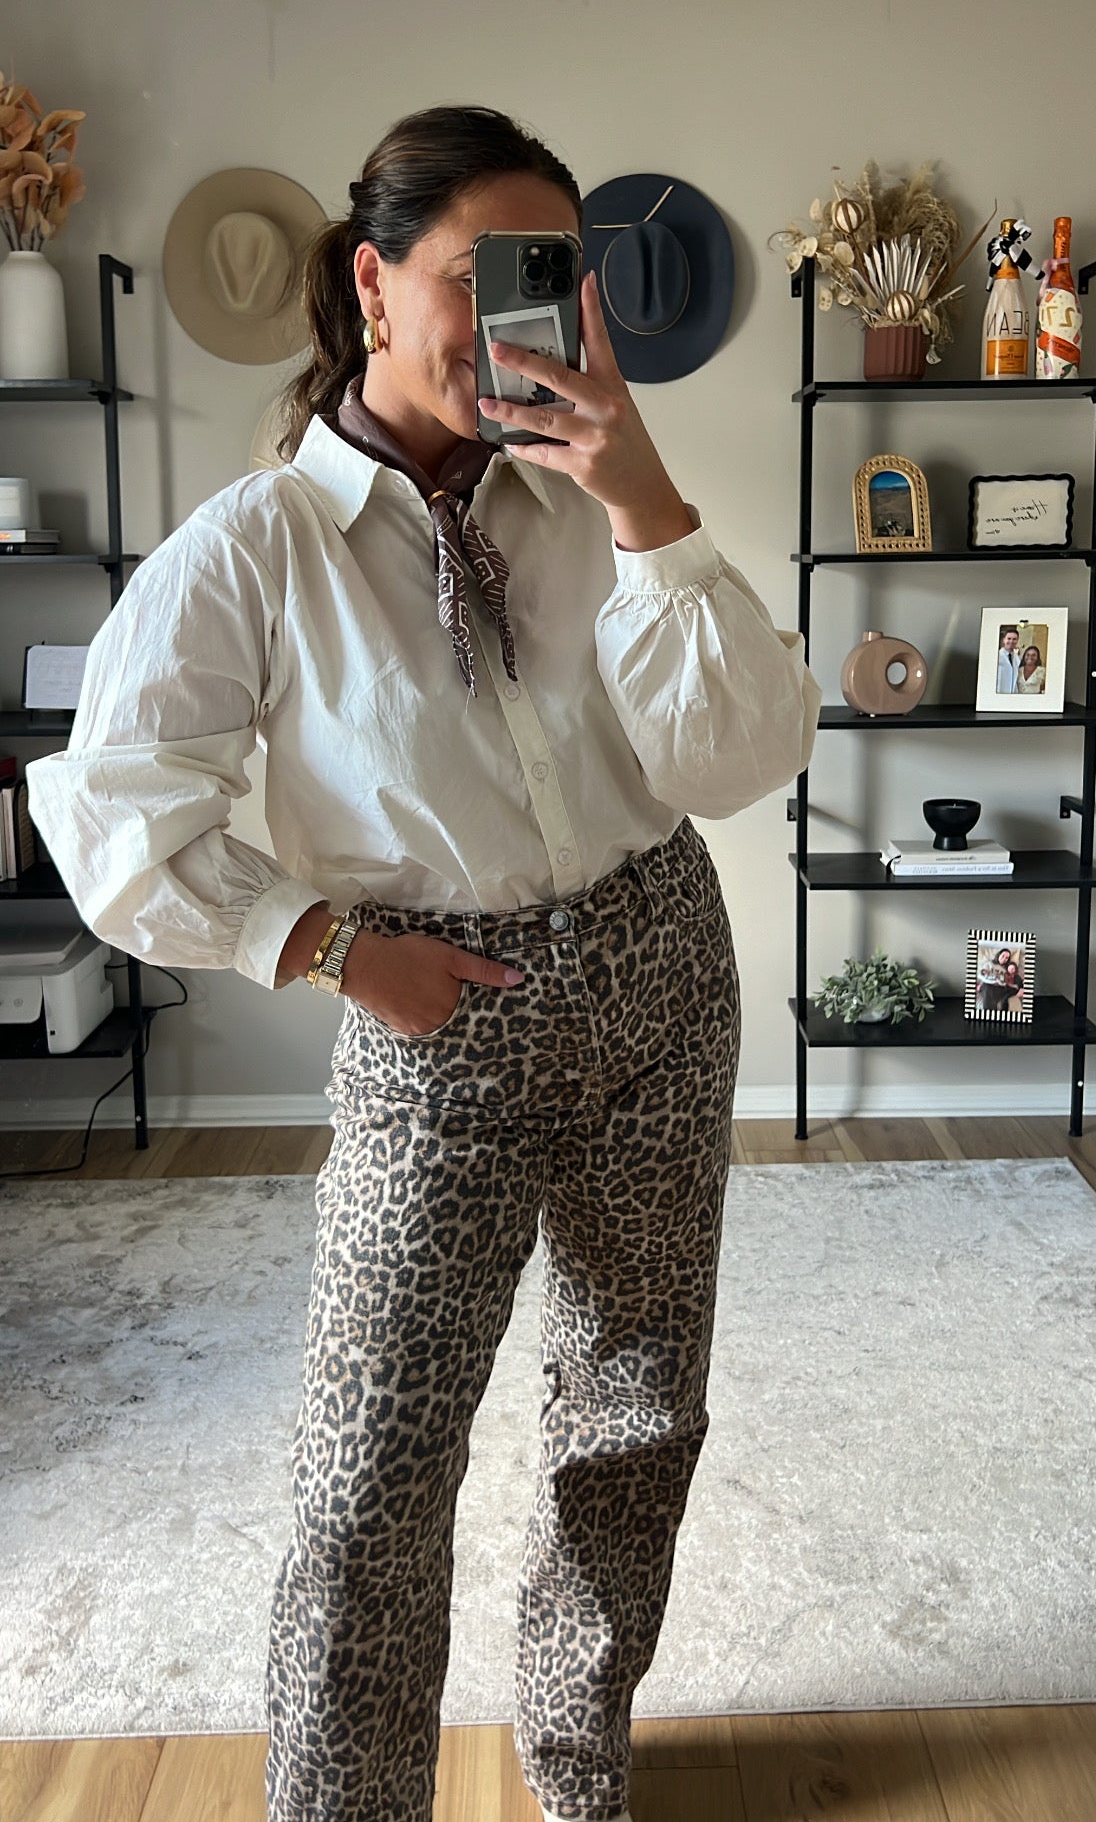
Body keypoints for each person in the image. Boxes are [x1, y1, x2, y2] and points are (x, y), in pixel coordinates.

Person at [24, 104, 821, 1822]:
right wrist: (314, 940)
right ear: (373, 283)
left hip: (660, 976)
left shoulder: (597, 502)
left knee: (633, 1416)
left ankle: (580, 1764)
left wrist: (643, 499)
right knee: (369, 1471)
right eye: (482, 275)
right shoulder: (259, 546)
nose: (523, 316)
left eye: (556, 275)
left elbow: (738, 756)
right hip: (429, 1011)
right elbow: (111, 808)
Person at [997, 624, 1021, 693]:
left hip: (1012, 694)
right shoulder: (998, 656)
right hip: (999, 692)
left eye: (1014, 639)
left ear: (1017, 641)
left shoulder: (1017, 658)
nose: (1011, 641)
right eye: (1009, 638)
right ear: (1004, 640)